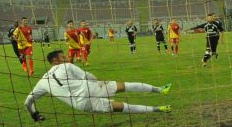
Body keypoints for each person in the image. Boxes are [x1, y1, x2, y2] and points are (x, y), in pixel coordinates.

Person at [24, 50, 171, 122]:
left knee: (121, 107)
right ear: (55, 61)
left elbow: (28, 102)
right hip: (90, 88)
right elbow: (87, 76)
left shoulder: (42, 81)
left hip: (81, 103)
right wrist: (98, 82)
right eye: (63, 57)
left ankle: (158, 109)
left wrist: (34, 115)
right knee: (124, 86)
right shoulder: (67, 65)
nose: (67, 58)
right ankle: (160, 90)